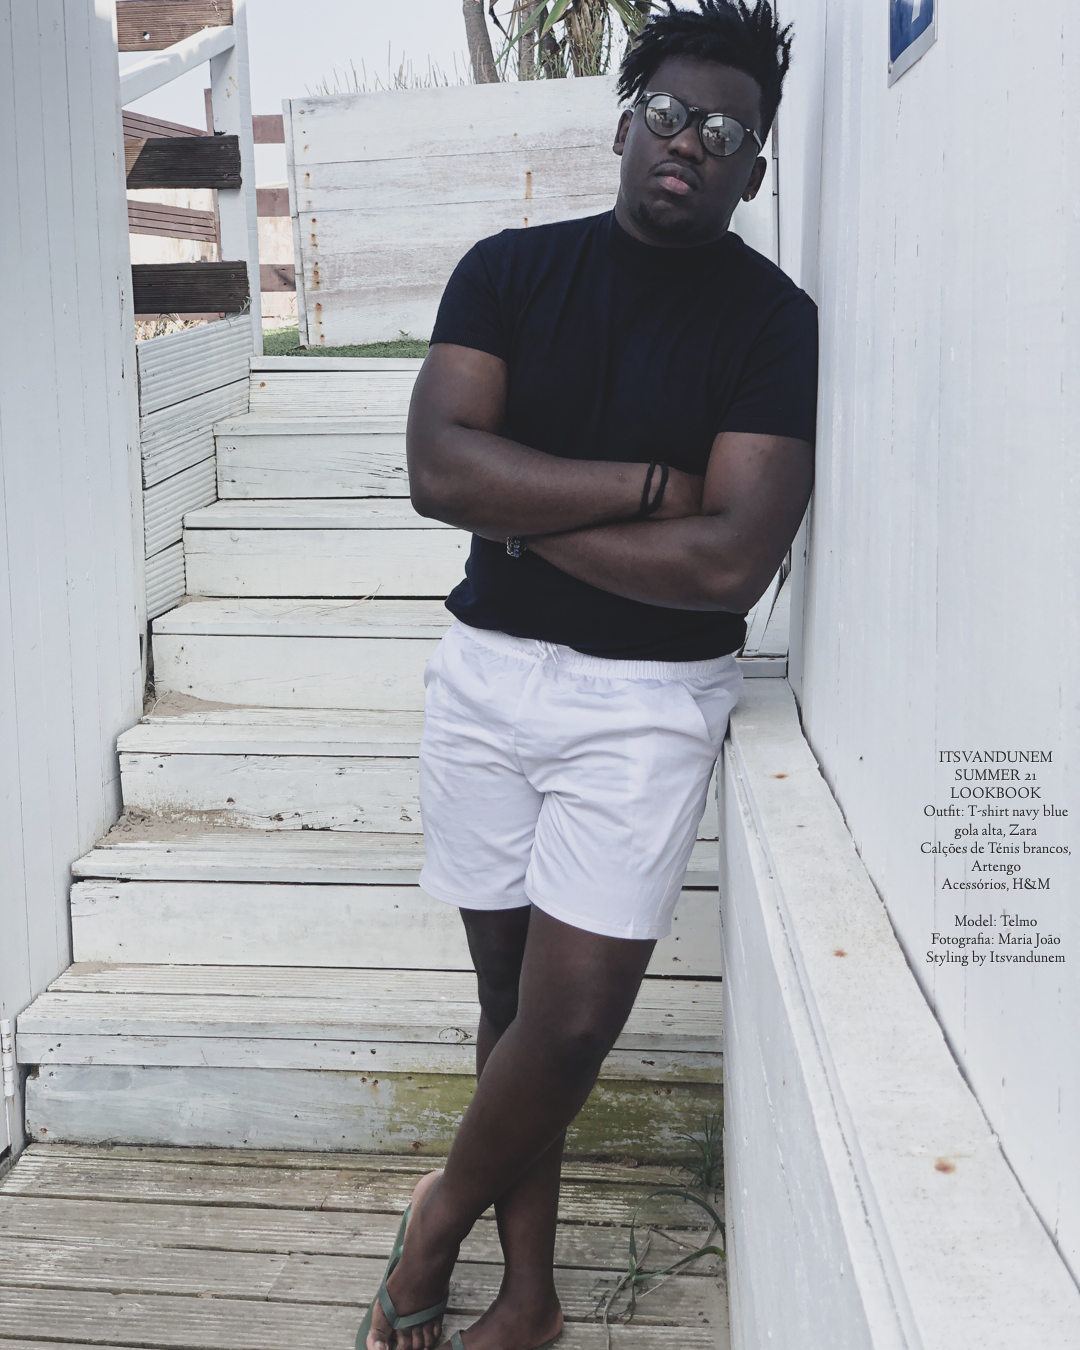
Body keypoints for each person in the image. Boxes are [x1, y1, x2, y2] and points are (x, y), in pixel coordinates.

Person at [358, 4, 816, 1350]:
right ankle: (532, 1299)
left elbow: (726, 567)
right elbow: (440, 467)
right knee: (504, 1005)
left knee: (564, 1026)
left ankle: (435, 1221)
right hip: (487, 677)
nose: (689, 143)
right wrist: (650, 489)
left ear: (755, 168)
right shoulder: (508, 272)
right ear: (624, 126)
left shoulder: (774, 325)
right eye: (668, 115)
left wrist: (522, 512)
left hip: (648, 704)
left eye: (724, 132)